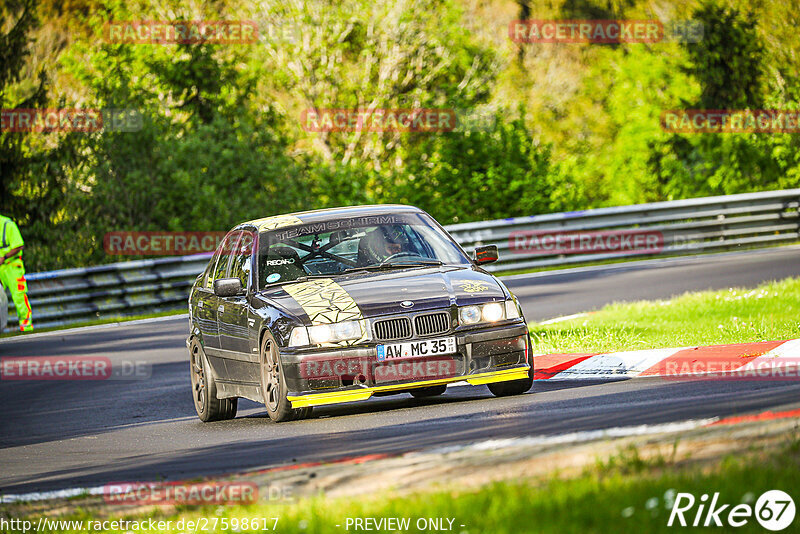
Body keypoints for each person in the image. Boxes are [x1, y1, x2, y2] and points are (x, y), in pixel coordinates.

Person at [0, 215, 32, 332]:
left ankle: (26, 326)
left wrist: (4, 257)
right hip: (0, 268)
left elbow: (19, 245)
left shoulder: (7, 224)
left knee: (19, 297)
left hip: (12, 266)